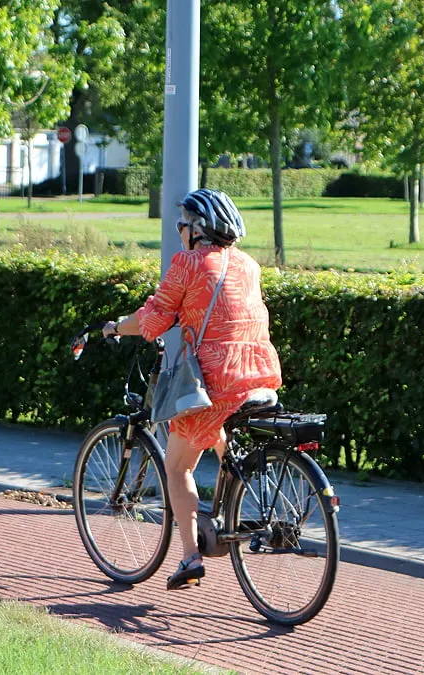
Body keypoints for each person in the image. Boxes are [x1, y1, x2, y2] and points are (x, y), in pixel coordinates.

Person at [102, 189, 282, 590]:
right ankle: (233, 491)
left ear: (196, 230)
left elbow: (154, 318)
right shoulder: (248, 264)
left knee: (177, 466)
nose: (179, 230)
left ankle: (189, 556)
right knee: (217, 427)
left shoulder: (188, 262)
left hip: (216, 379)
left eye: (182, 223)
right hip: (259, 373)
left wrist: (115, 327)